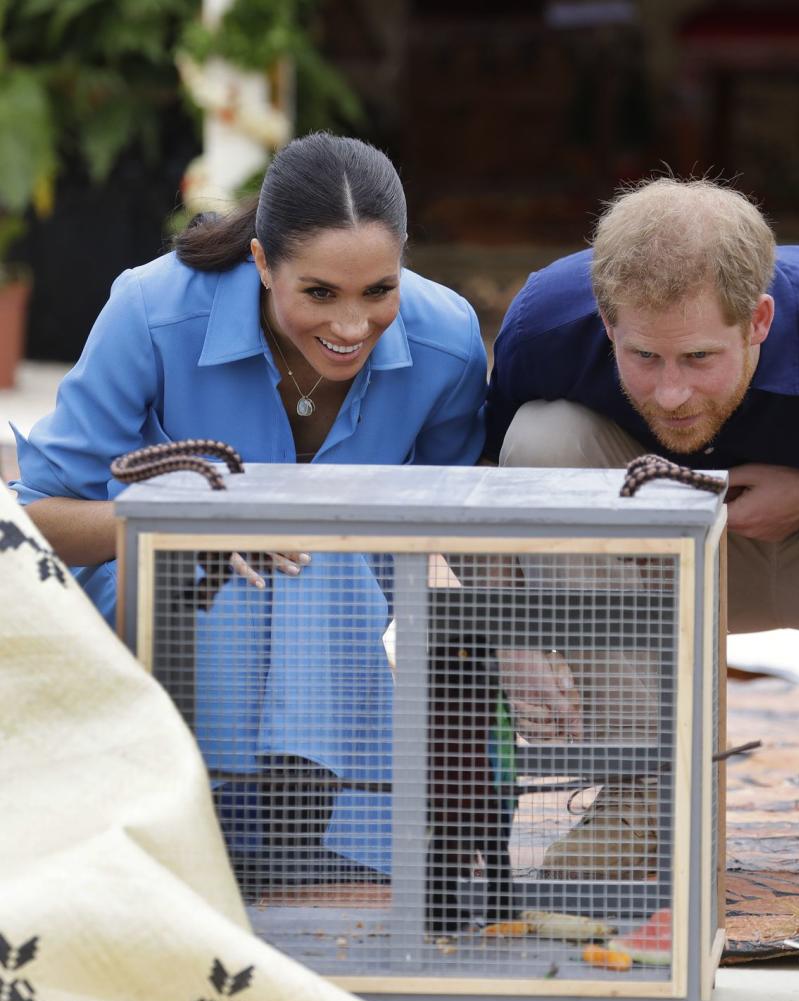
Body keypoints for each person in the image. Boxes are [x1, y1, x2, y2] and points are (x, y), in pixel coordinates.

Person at [10, 132, 488, 884]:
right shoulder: (151, 306)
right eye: (320, 293)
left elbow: (459, 537)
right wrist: (192, 528)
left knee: (320, 548)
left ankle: (279, 838)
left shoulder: (450, 340)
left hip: (344, 619)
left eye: (380, 290)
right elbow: (35, 520)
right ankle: (278, 843)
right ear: (263, 262)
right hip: (160, 597)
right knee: (273, 556)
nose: (353, 326)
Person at [485, 177, 799, 873]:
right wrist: (509, 632)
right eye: (643, 356)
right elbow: (482, 485)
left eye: (698, 358)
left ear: (758, 320)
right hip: (655, 551)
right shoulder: (543, 324)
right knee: (540, 438)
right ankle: (638, 792)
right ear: (607, 322)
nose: (671, 392)